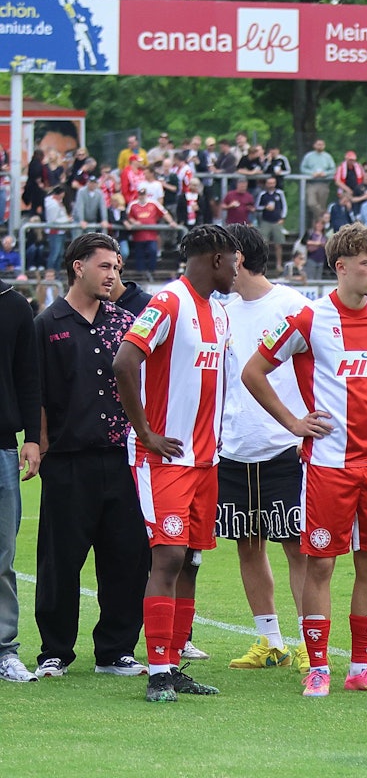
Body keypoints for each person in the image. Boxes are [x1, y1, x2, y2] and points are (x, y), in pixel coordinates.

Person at [243, 223, 367, 697]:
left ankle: (361, 668)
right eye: (366, 263)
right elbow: (253, 371)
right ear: (340, 267)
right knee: (320, 566)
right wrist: (293, 422)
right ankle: (317, 666)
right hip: (327, 467)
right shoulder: (308, 319)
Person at [112, 225, 239, 702]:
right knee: (167, 555)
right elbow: (125, 362)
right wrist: (145, 433)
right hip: (164, 458)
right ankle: (158, 672)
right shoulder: (168, 303)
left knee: (191, 561)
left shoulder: (219, 313)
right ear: (213, 260)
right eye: (232, 260)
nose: (236, 268)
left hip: (205, 460)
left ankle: (176, 660)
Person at [32, 233, 150, 680]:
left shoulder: (125, 321)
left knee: (127, 557)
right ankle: (55, 652)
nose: (114, 275)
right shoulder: (47, 323)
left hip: (123, 458)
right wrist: (39, 443)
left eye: (117, 267)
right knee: (60, 560)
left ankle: (116, 651)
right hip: (68, 459)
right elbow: (37, 391)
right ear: (78, 266)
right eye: (105, 266)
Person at [215, 225, 313, 673]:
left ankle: (312, 642)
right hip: (234, 449)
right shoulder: (222, 311)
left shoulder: (293, 306)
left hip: (285, 448)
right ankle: (271, 641)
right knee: (248, 545)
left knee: (298, 548)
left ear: (236, 257)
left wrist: (302, 426)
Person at [0, 268, 40, 682]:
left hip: (2, 447)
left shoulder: (13, 304)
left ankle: (4, 648)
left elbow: (29, 376)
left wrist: (32, 437)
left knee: (2, 557)